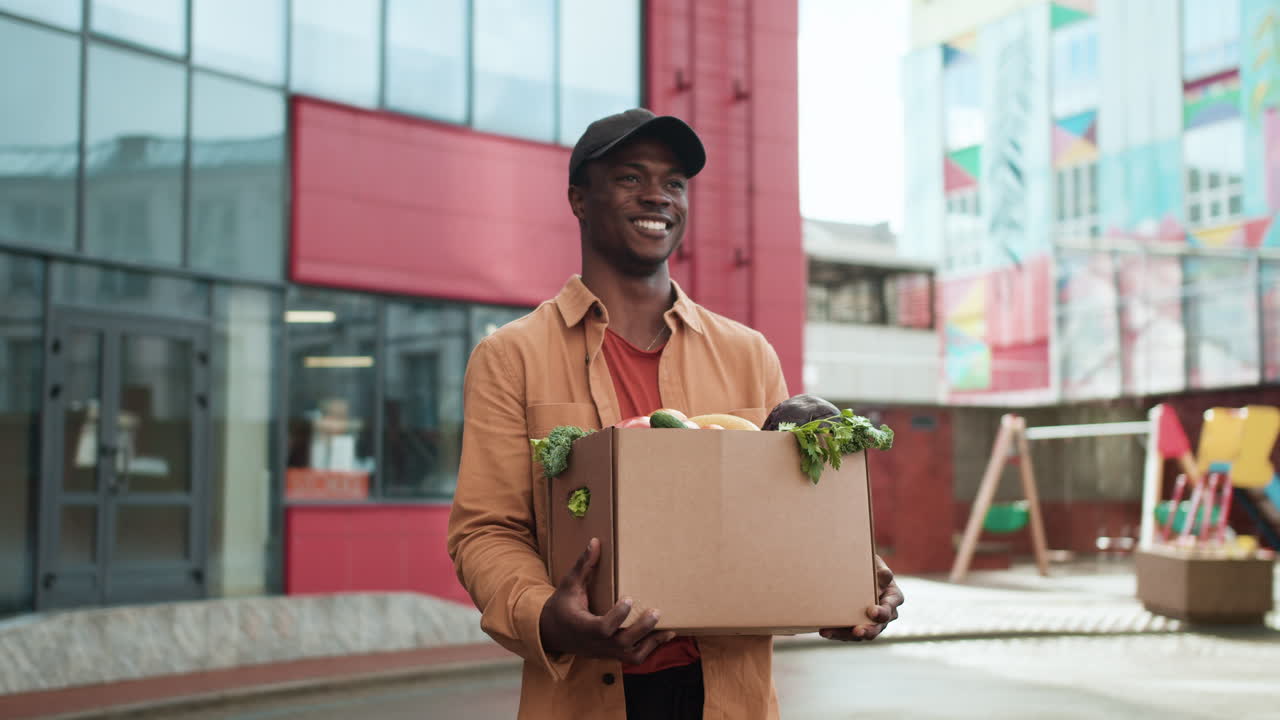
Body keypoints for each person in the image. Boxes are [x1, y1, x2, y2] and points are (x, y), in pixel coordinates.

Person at [447, 108, 904, 720]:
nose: (658, 195)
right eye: (631, 178)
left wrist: (851, 580)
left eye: (675, 182)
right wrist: (546, 615)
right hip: (587, 696)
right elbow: (486, 530)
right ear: (579, 199)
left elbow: (791, 506)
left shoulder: (747, 355)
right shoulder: (512, 357)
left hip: (728, 695)